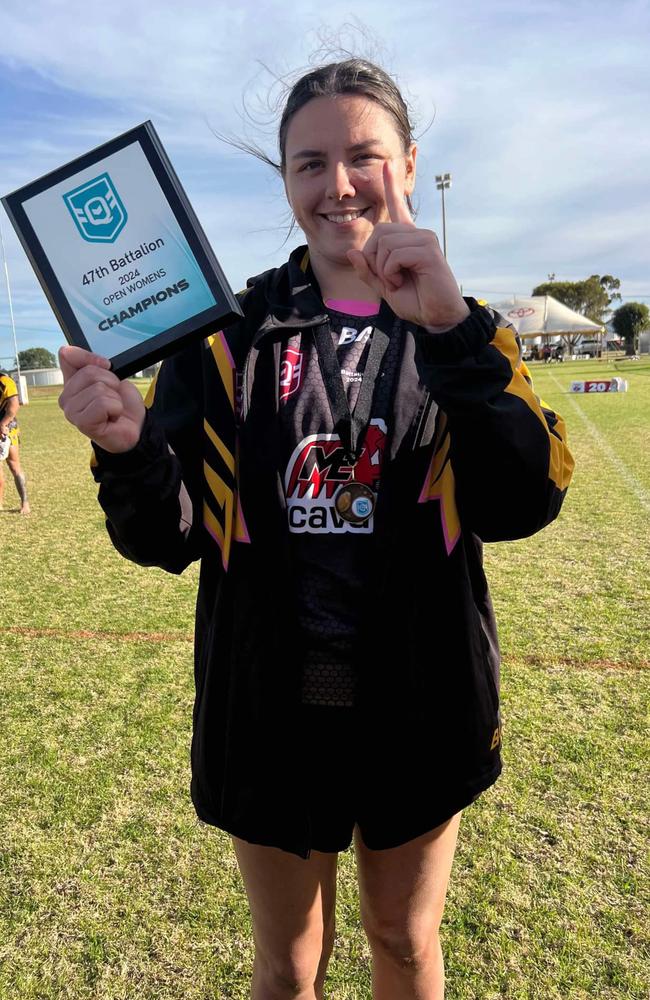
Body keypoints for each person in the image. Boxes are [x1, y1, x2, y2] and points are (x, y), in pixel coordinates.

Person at [58, 59, 574, 1000]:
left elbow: (524, 501)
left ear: (408, 164)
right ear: (286, 182)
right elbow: (168, 537)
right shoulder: (226, 336)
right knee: (289, 963)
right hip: (267, 714)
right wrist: (130, 450)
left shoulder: (467, 328)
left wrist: (452, 331)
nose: (338, 185)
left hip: (420, 705)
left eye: (363, 156)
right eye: (309, 163)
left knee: (404, 943)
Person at [0, 370, 30, 514]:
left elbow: (14, 406)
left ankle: (25, 503)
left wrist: (3, 424)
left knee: (14, 465)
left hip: (7, 428)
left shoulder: (5, 381)